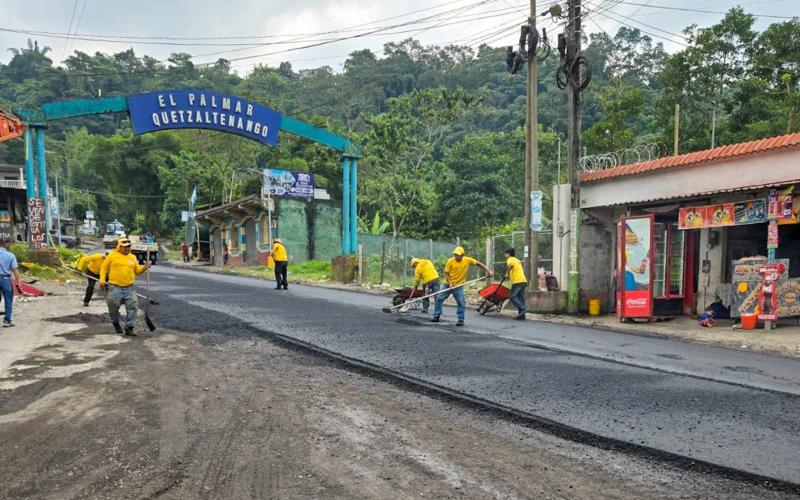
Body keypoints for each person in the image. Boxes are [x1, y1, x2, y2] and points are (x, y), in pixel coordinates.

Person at [100, 237, 149, 336]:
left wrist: (145, 267)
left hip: (129, 287)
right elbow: (104, 268)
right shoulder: (112, 255)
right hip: (115, 287)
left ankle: (129, 327)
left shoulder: (132, 257)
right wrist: (102, 281)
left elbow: (137, 271)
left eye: (129, 247)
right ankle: (115, 322)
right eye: (125, 247)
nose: (127, 248)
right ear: (119, 247)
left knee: (133, 307)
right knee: (113, 307)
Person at [432, 246, 492, 326]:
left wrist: (488, 271)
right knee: (439, 298)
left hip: (458, 286)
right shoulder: (450, 261)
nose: (456, 256)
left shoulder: (467, 260)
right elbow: (446, 273)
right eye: (455, 254)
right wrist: (450, 283)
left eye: (458, 255)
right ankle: (436, 315)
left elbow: (478, 264)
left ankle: (461, 319)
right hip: (447, 284)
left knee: (461, 302)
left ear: (462, 255)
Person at [0, 238, 22, 327]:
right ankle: (7, 321)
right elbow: (15, 270)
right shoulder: (11, 255)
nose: (10, 246)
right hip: (5, 280)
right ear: (6, 244)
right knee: (8, 300)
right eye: (10, 244)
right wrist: (18, 282)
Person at [504, 248, 528, 320]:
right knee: (520, 297)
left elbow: (510, 266)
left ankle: (523, 308)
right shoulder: (517, 260)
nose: (504, 255)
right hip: (523, 280)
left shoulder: (510, 259)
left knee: (512, 296)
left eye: (505, 254)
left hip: (517, 281)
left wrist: (507, 273)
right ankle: (522, 315)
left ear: (508, 254)